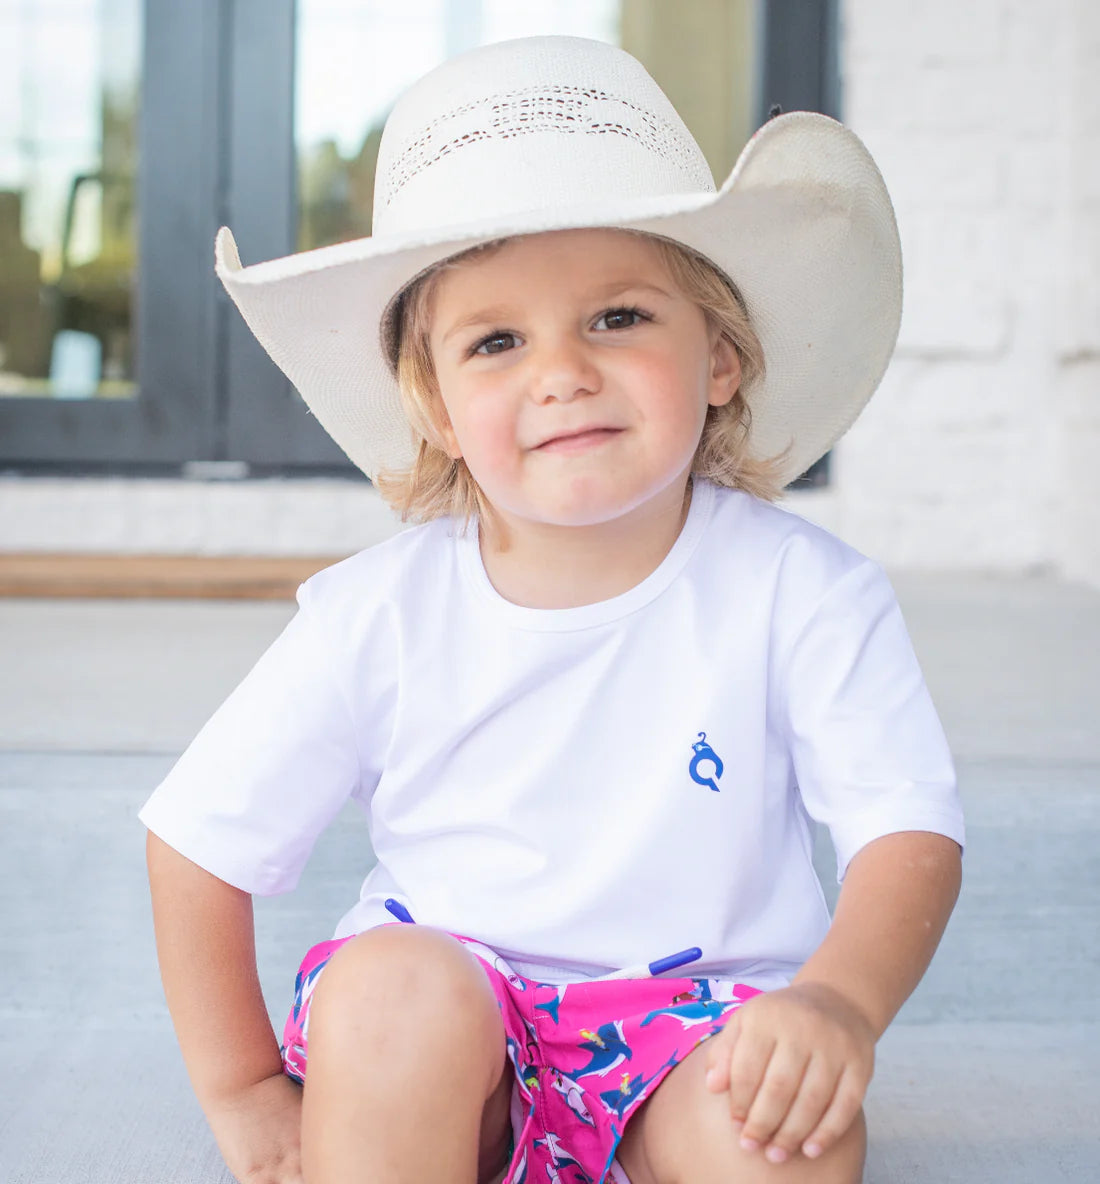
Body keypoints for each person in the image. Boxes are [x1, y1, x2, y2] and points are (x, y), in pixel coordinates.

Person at [140, 34, 965, 1184]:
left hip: (695, 1029)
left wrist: (837, 1001)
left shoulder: (801, 591)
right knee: (389, 993)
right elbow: (194, 839)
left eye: (618, 318)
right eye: (495, 340)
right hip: (453, 1036)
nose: (561, 371)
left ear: (720, 355)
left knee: (782, 1140)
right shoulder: (380, 612)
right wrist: (240, 1090)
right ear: (432, 403)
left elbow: (904, 829)